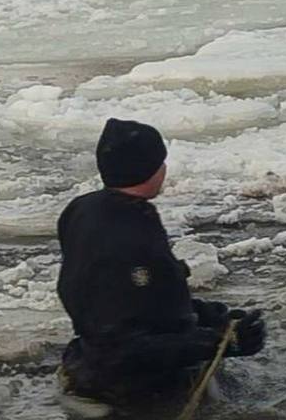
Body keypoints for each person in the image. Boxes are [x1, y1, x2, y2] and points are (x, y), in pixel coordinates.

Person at [56, 118, 266, 405]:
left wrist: (214, 317)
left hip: (89, 360)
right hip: (129, 387)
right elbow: (122, 344)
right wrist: (219, 343)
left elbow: (142, 302)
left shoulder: (84, 210)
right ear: (149, 168)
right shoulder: (126, 235)